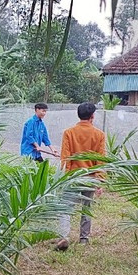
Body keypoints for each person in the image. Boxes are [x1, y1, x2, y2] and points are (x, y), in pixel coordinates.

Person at [55, 102, 106, 251]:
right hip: (90, 177)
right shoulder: (99, 135)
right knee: (86, 208)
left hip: (73, 176)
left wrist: (65, 177)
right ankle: (84, 239)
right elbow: (101, 159)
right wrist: (99, 180)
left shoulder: (69, 133)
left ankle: (63, 237)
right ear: (92, 117)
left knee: (65, 208)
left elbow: (66, 158)